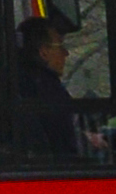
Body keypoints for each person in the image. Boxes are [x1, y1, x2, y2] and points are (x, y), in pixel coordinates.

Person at [7, 15, 89, 161]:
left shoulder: (19, 83)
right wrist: (88, 141)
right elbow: (65, 142)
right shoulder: (47, 89)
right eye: (60, 46)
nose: (66, 53)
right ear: (44, 52)